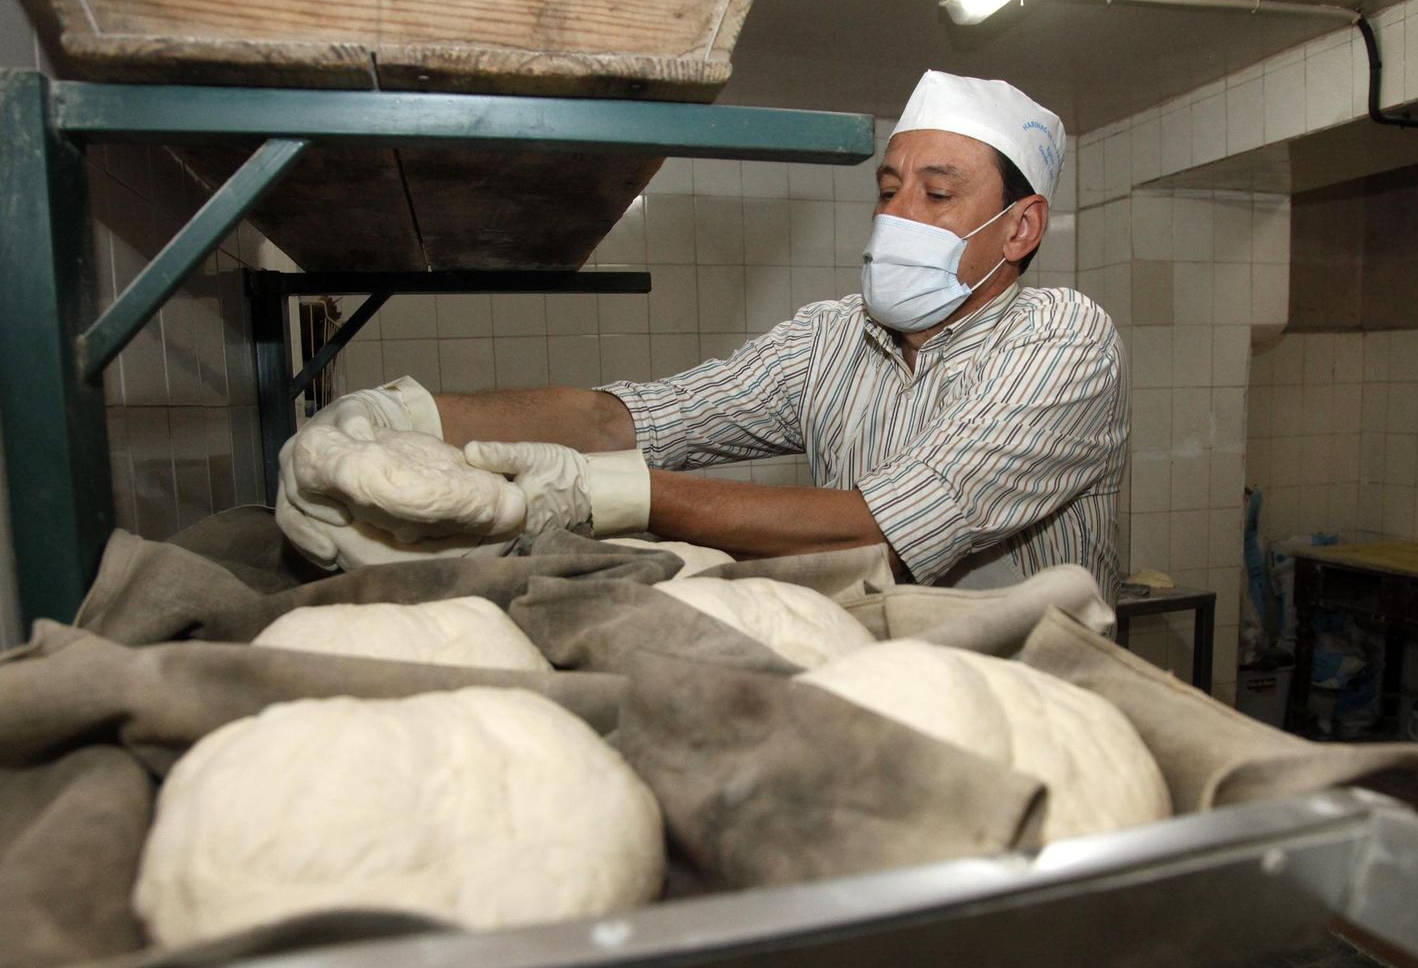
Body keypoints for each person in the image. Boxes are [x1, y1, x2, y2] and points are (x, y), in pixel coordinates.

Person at [276, 70, 1128, 599]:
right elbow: (630, 420)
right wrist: (398, 419)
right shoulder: (833, 337)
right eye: (890, 188)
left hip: (1033, 695)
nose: (899, 217)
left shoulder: (1062, 338)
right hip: (879, 676)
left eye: (937, 196)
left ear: (1021, 230)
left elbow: (886, 526)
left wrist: (608, 495)